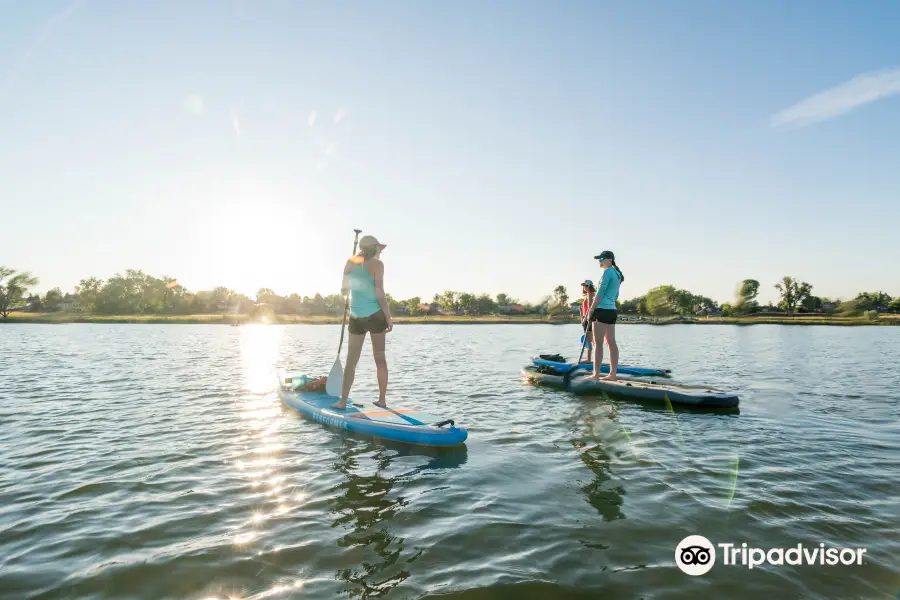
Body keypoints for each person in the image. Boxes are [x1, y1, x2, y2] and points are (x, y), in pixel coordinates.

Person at [330, 235, 393, 410]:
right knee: (380, 357)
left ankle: (342, 401)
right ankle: (382, 400)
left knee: (351, 360)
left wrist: (349, 283)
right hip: (376, 315)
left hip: (356, 316)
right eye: (379, 248)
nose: (381, 251)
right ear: (373, 248)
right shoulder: (378, 265)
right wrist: (388, 316)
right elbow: (379, 292)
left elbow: (344, 290)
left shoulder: (350, 262)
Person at [584, 250, 624, 381]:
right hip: (612, 310)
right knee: (611, 343)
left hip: (601, 310)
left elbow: (600, 293)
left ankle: (595, 375)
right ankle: (613, 375)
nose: (599, 261)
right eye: (599, 259)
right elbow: (616, 295)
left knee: (598, 343)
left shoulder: (607, 272)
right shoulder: (617, 274)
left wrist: (591, 310)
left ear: (610, 259)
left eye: (601, 258)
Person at [579, 279, 596, 363]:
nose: (584, 287)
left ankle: (589, 360)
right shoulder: (589, 295)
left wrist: (584, 320)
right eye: (583, 286)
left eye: (585, 285)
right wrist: (581, 311)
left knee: (588, 340)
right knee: (590, 340)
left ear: (589, 286)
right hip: (588, 319)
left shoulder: (590, 295)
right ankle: (592, 359)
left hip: (589, 320)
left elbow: (590, 309)